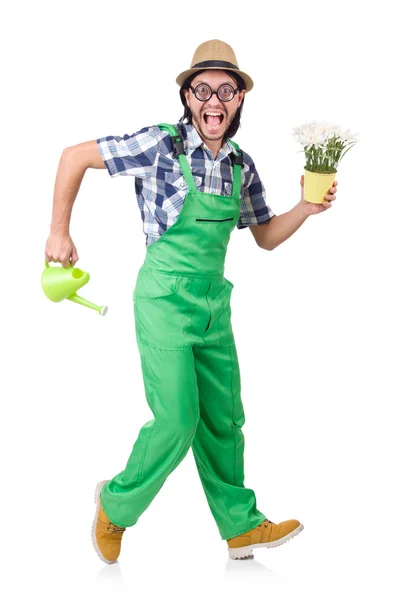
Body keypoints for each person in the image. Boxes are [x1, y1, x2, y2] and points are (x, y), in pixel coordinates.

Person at [45, 39, 338, 562]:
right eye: (203, 89)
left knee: (224, 420)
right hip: (163, 299)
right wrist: (58, 232)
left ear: (240, 100)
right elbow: (74, 158)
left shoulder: (240, 166)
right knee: (178, 418)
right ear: (187, 96)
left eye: (227, 90)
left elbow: (265, 236)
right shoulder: (159, 144)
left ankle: (240, 525)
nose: (214, 100)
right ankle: (115, 504)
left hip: (213, 305)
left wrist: (306, 207)